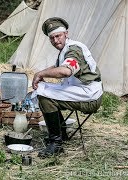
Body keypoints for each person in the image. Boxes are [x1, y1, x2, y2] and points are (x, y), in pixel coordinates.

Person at [31, 17, 103, 158]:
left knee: (45, 97)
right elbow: (58, 66)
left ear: (66, 34)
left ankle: (56, 144)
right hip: (81, 91)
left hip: (89, 95)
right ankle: (61, 133)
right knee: (43, 88)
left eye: (58, 36)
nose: (55, 41)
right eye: (52, 38)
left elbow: (66, 71)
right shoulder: (67, 49)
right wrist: (41, 75)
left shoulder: (74, 50)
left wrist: (41, 73)